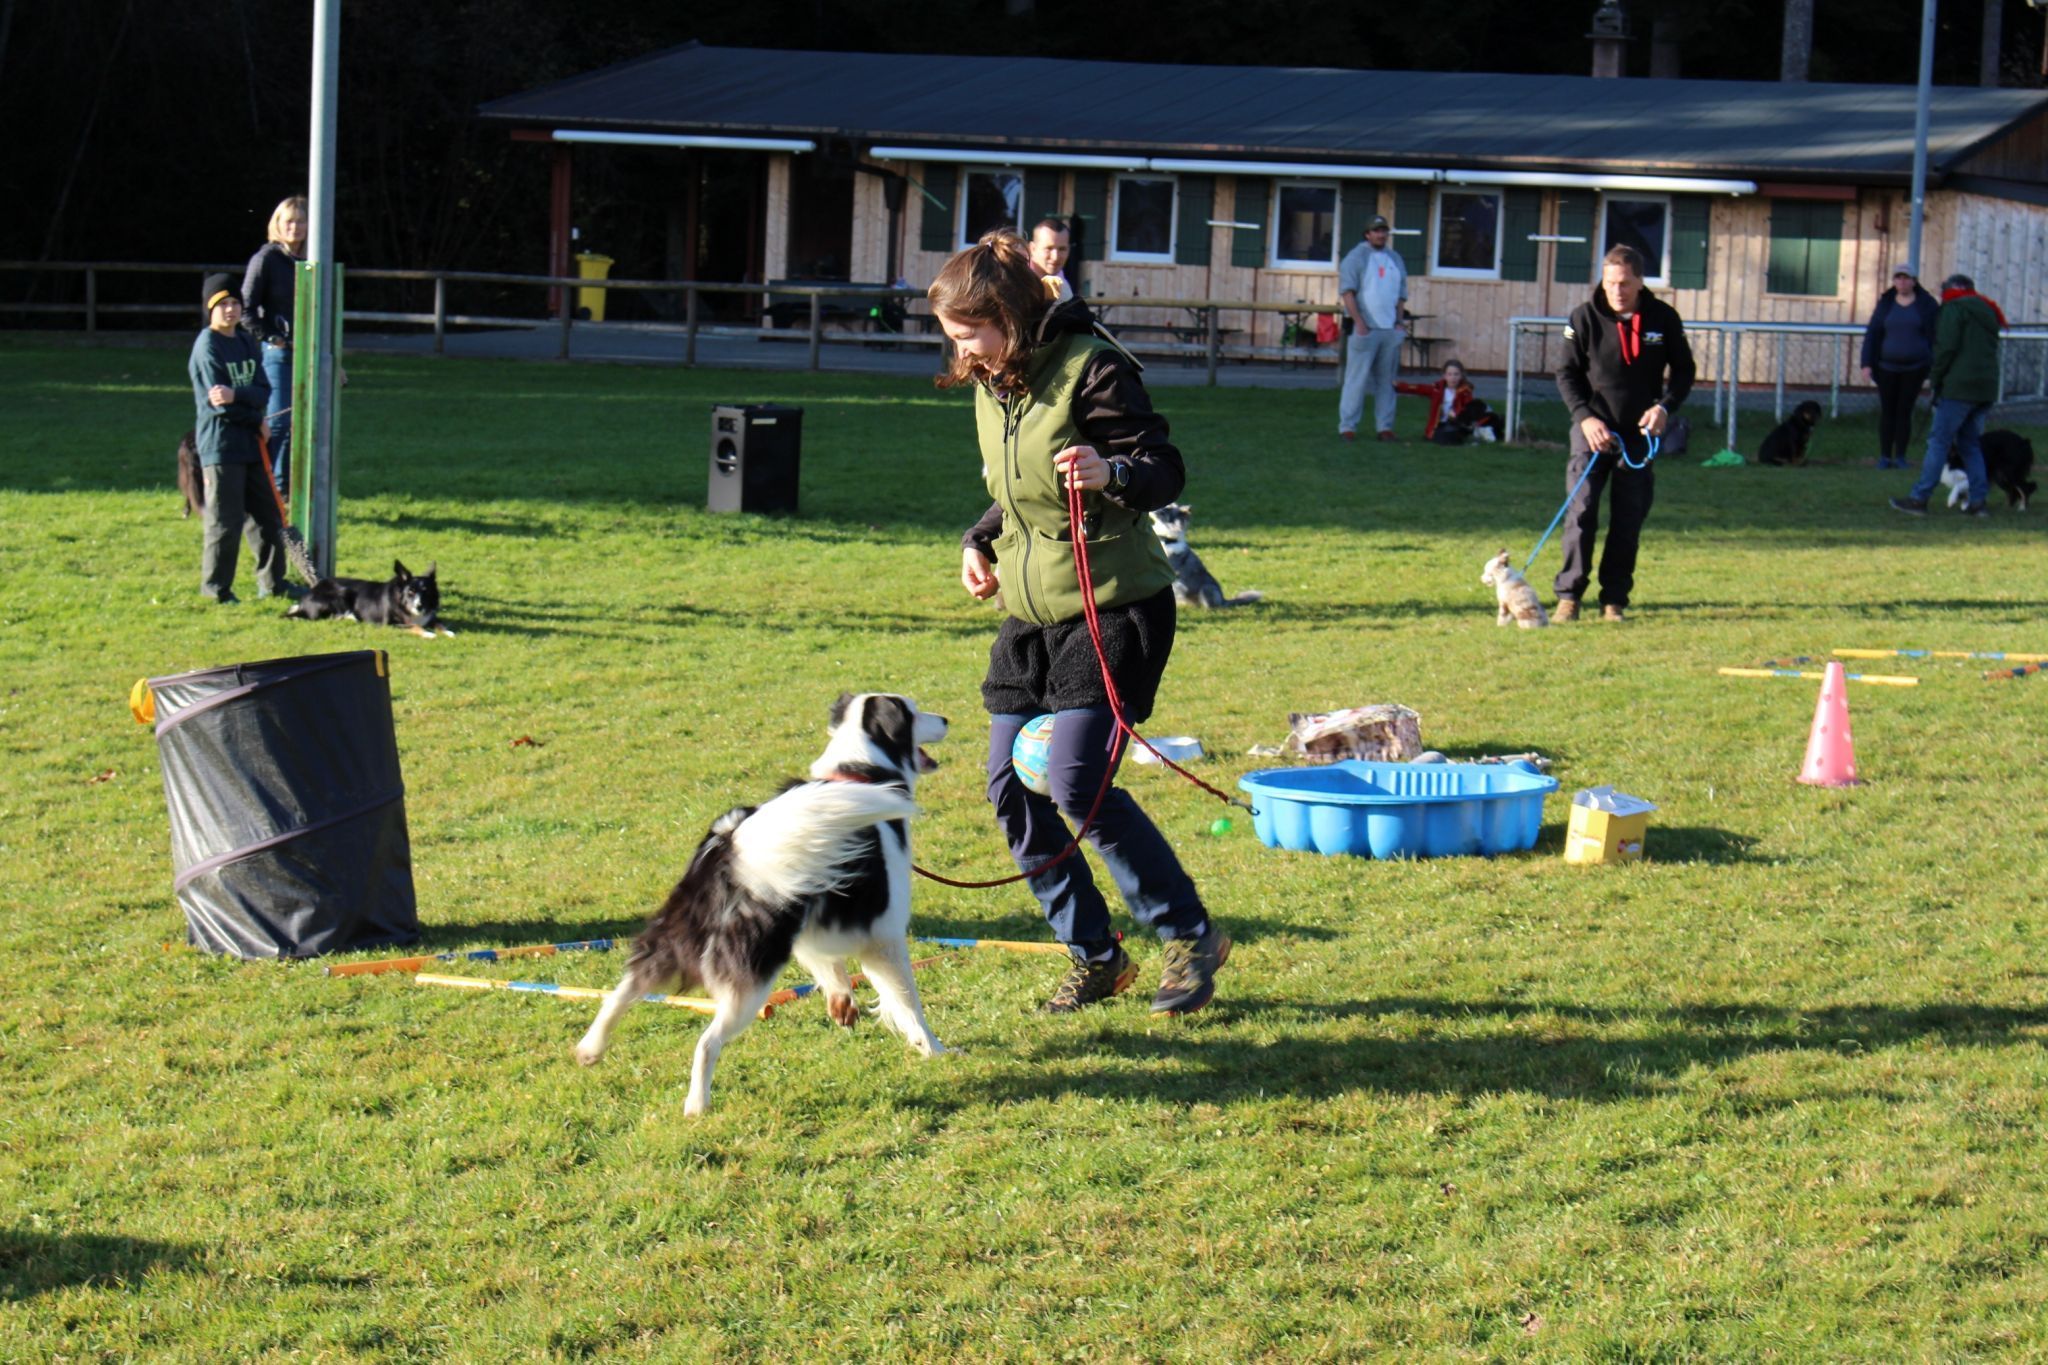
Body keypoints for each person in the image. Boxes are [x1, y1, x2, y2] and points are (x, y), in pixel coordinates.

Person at [935, 230, 1230, 1017]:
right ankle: (1094, 954)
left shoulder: (1091, 367)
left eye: (970, 335)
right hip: (1032, 618)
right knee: (1010, 790)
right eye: (952, 337)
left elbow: (1163, 465)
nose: (960, 352)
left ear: (1011, 315)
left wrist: (1115, 472)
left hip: (1115, 608)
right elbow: (1023, 490)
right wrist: (978, 540)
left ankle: (1190, 931)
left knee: (1071, 778)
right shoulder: (994, 384)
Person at [1553, 244, 1695, 623]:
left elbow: (1684, 371)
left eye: (1625, 284)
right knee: (1581, 511)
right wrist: (1584, 417)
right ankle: (1569, 597)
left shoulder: (1663, 318)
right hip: (1593, 429)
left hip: (1639, 433)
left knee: (1628, 517)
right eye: (1611, 282)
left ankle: (1613, 600)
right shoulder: (1583, 318)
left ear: (1639, 282)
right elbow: (1565, 374)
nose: (1617, 291)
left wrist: (1664, 406)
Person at [188, 273, 292, 605]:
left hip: (250, 442)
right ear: (210, 309)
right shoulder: (208, 346)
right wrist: (253, 416)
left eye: (235, 303)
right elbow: (218, 406)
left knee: (267, 516)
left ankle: (273, 584)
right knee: (225, 521)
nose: (230, 310)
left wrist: (239, 396)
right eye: (223, 304)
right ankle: (216, 590)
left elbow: (263, 389)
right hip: (221, 446)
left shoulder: (246, 341)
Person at [1890, 272, 2007, 518]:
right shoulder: (1988, 309)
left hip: (1959, 386)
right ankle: (1978, 502)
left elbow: (1946, 347)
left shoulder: (1954, 309)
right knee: (1970, 444)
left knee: (1938, 443)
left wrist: (1936, 377)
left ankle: (1919, 498)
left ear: (1953, 290)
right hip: (1985, 388)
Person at [242, 196, 305, 497]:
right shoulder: (265, 259)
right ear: (277, 225)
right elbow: (246, 309)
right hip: (278, 353)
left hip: (309, 352)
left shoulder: (311, 261)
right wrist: (273, 338)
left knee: (306, 424)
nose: (294, 227)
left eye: (301, 221)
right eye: (288, 221)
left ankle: (290, 491)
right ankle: (266, 488)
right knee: (279, 421)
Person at [1859, 265, 1939, 470]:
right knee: (1888, 411)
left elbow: (1936, 335)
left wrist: (1934, 363)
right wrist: (1867, 364)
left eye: (1906, 278)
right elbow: (1873, 333)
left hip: (1915, 368)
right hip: (1886, 367)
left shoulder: (1927, 304)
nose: (1902, 282)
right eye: (1898, 278)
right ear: (1894, 281)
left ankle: (1901, 456)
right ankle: (1885, 456)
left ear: (1914, 280)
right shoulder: (1885, 303)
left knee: (1905, 411)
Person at [1336, 213, 1408, 442]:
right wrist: (1359, 323)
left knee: (1386, 382)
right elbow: (1348, 293)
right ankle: (1348, 427)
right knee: (1356, 380)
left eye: (1384, 230)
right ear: (1367, 234)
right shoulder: (1355, 258)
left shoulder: (1395, 258)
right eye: (1376, 231)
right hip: (1365, 329)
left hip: (1389, 329)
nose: (1381, 234)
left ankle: (1384, 427)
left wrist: (1398, 322)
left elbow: (1401, 295)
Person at [1395, 358, 1499, 443]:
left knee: (1451, 436)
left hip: (1456, 423)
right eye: (1449, 374)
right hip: (1438, 424)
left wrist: (1457, 414)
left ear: (1461, 375)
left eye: (1456, 374)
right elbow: (1418, 388)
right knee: (1441, 437)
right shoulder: (1436, 389)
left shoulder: (1465, 391)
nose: (1453, 378)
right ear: (1444, 376)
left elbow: (1468, 411)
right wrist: (1399, 386)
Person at [1026, 216, 1076, 300]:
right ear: (1032, 249)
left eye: (1062, 249)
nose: (1055, 257)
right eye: (1048, 248)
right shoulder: (1015, 280)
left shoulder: (1063, 285)